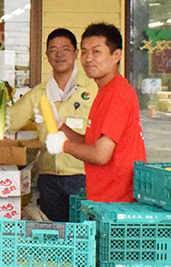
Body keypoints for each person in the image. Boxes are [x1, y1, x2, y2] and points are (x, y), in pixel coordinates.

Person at [46, 23, 146, 202]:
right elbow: (91, 143)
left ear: (116, 55)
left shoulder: (118, 94)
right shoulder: (104, 91)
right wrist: (61, 126)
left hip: (118, 204)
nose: (88, 59)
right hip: (104, 199)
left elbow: (100, 155)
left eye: (96, 52)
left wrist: (63, 146)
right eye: (84, 52)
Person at [7, 28, 97, 222]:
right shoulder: (39, 94)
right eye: (53, 50)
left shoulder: (94, 88)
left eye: (65, 49)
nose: (59, 54)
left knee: (84, 234)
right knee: (54, 236)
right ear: (47, 55)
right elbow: (10, 121)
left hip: (83, 176)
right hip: (49, 178)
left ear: (75, 53)